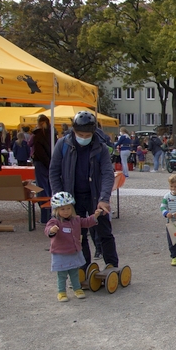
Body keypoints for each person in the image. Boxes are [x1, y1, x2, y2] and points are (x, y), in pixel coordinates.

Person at [50, 111, 119, 269]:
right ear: (74, 131)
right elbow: (54, 172)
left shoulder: (101, 147)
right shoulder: (63, 144)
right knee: (78, 234)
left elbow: (108, 173)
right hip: (72, 197)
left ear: (93, 132)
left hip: (95, 196)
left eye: (87, 135)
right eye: (80, 134)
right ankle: (84, 267)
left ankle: (112, 266)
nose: (84, 137)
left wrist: (104, 198)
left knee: (104, 232)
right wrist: (60, 198)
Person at [46, 192, 102, 302]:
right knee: (62, 275)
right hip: (61, 253)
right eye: (62, 209)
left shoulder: (76, 219)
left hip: (74, 251)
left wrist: (94, 216)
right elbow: (48, 229)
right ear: (56, 210)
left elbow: (86, 222)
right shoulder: (55, 221)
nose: (66, 211)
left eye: (68, 208)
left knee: (74, 272)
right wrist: (51, 230)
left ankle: (77, 288)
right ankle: (61, 292)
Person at [30, 115, 53, 223]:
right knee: (50, 188)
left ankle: (45, 217)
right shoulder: (52, 134)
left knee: (42, 190)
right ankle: (51, 215)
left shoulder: (37, 135)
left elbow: (39, 152)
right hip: (50, 164)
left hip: (41, 164)